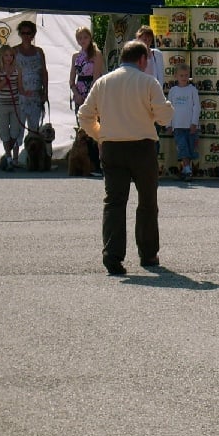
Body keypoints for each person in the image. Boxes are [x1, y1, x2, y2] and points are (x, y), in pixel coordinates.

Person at [77, 40, 174, 275]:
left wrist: (100, 135)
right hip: (142, 147)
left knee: (114, 202)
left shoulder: (103, 82)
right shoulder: (148, 82)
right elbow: (164, 118)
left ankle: (112, 256)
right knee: (147, 202)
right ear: (142, 59)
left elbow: (84, 115)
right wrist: (165, 107)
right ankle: (148, 254)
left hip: (112, 146)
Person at [69, 26, 105, 175]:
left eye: (85, 37)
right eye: (80, 38)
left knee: (96, 128)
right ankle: (86, 164)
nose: (82, 41)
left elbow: (96, 78)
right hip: (79, 93)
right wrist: (76, 93)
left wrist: (89, 97)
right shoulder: (75, 56)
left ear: (90, 38)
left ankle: (98, 164)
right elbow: (71, 79)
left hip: (93, 94)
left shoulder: (96, 54)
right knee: (83, 130)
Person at [13, 20, 48, 150]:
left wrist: (46, 92)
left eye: (29, 33)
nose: (26, 36)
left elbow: (44, 72)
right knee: (18, 128)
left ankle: (33, 157)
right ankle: (15, 158)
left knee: (34, 128)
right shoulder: (14, 51)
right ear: (20, 34)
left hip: (36, 94)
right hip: (20, 96)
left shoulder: (39, 52)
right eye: (23, 33)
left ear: (33, 34)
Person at [0, 45, 25, 171]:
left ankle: (7, 155)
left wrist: (27, 93)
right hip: (2, 104)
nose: (9, 58)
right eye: (6, 55)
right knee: (4, 131)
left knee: (15, 132)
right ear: (1, 56)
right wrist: (7, 76)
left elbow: (20, 87)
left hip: (15, 104)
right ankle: (8, 157)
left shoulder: (18, 69)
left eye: (11, 55)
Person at [166, 63, 201, 181]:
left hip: (190, 125)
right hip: (178, 126)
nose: (184, 78)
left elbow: (197, 107)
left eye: (186, 75)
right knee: (182, 147)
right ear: (176, 76)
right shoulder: (173, 91)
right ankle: (187, 169)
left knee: (190, 148)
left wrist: (194, 123)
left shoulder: (192, 90)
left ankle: (187, 169)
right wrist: (169, 125)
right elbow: (168, 108)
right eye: (181, 75)